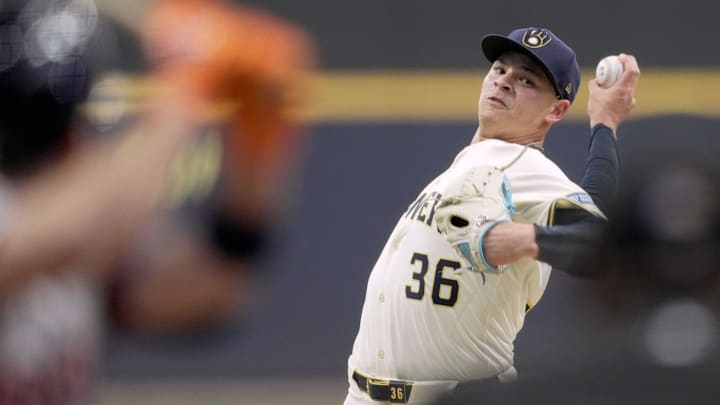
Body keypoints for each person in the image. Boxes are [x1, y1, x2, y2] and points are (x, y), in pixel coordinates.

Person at [0, 0, 315, 402]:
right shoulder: (55, 223)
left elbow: (213, 290)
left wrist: (260, 134)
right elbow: (58, 238)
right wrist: (187, 87)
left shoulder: (75, 214)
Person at [344, 26, 640, 405]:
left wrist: (522, 239)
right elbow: (595, 206)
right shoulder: (473, 164)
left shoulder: (522, 164)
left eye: (525, 80)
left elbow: (602, 246)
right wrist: (604, 124)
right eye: (499, 70)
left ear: (556, 110)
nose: (503, 82)